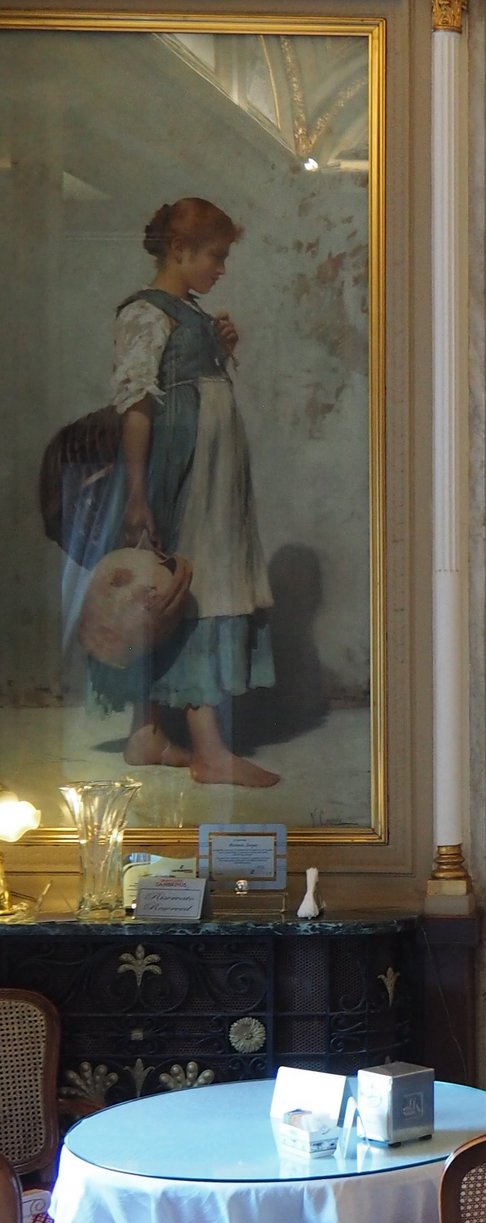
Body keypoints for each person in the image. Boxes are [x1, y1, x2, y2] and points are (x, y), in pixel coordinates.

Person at [92, 197, 279, 786]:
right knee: (189, 588)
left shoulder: (186, 313)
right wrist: (139, 492)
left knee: (181, 587)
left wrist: (218, 350)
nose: (221, 269)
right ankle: (210, 751)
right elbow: (138, 407)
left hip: (211, 470)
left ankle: (146, 735)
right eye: (214, 257)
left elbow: (193, 380)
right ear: (179, 250)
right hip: (184, 471)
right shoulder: (146, 314)